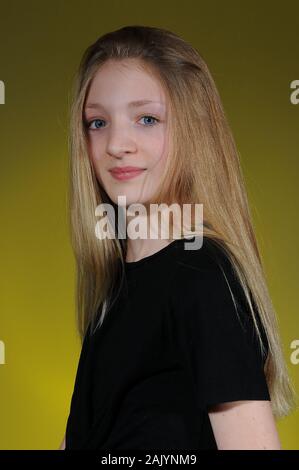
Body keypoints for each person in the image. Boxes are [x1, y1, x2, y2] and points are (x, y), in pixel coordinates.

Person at [59, 25, 295, 450]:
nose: (117, 144)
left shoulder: (202, 276)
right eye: (98, 122)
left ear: (193, 132)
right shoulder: (113, 289)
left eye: (146, 119)